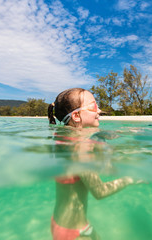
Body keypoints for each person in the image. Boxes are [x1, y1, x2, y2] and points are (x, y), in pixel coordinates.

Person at [47, 88, 141, 240]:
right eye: (94, 106)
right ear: (76, 115)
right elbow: (100, 191)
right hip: (74, 233)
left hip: (63, 223)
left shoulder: (63, 136)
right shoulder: (80, 149)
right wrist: (129, 179)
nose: (100, 110)